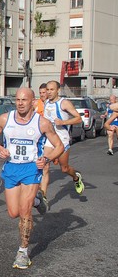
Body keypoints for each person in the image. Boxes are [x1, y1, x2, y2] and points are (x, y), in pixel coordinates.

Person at [0, 87, 64, 269]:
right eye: (18, 99)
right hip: (12, 168)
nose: (20, 103)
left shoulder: (42, 123)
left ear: (33, 102)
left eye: (24, 100)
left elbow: (59, 146)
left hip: (31, 169)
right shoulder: (6, 119)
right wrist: (0, 150)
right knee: (13, 213)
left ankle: (23, 252)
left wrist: (46, 159)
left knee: (24, 211)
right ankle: (38, 201)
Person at [39, 80, 85, 212]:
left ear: (58, 90)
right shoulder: (46, 102)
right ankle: (43, 196)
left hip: (62, 139)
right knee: (45, 166)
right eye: (47, 90)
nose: (48, 92)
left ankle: (76, 177)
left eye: (51, 90)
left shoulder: (64, 103)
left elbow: (78, 118)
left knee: (64, 169)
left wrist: (63, 121)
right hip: (50, 139)